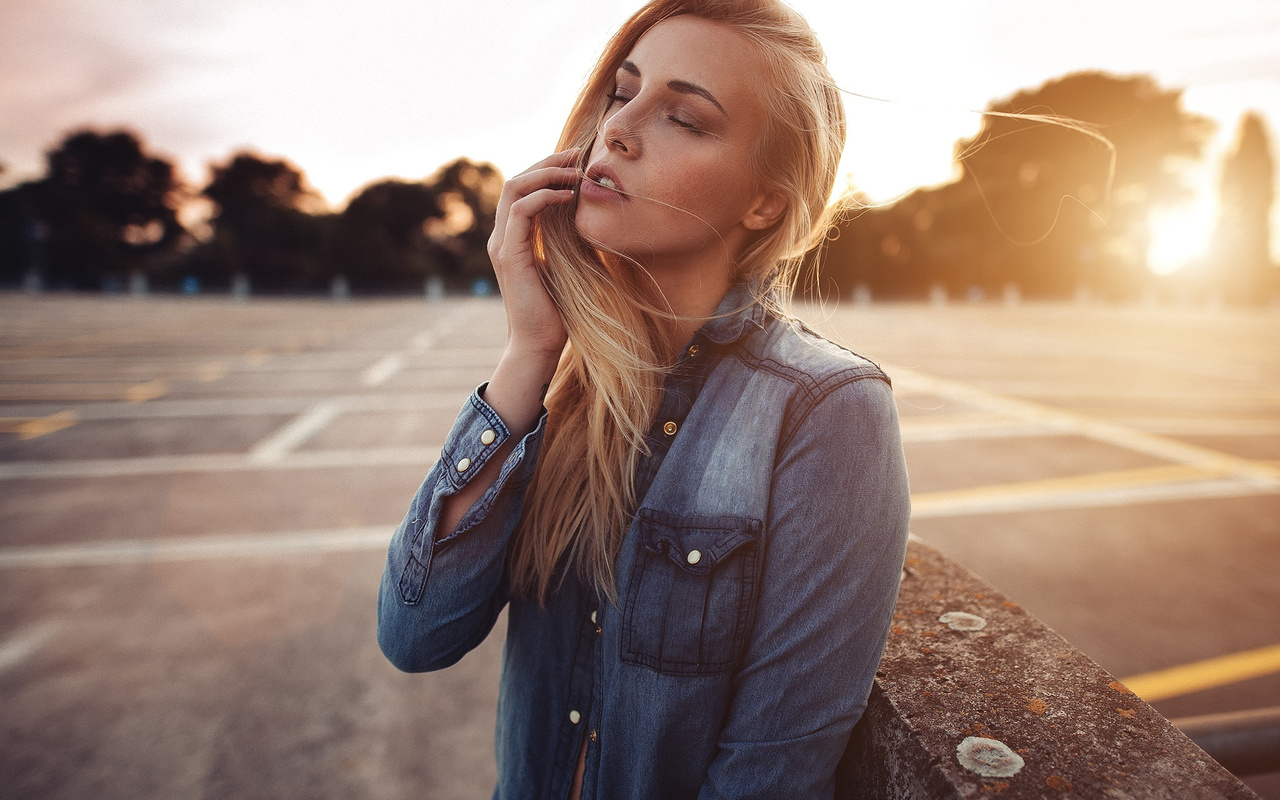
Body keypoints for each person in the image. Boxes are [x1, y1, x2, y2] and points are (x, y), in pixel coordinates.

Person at [377, 1, 910, 797]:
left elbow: (768, 775)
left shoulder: (827, 410)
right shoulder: (563, 385)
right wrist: (528, 351)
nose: (618, 130)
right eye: (622, 93)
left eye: (685, 119)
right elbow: (414, 635)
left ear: (763, 202)